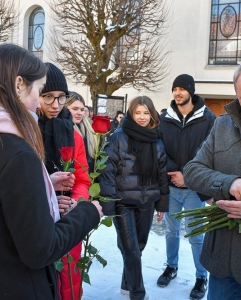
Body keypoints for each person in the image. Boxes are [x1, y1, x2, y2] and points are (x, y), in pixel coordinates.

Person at [0, 43, 103, 300]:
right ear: (19, 84)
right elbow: (40, 249)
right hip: (13, 285)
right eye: (41, 91)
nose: (42, 104)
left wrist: (42, 187)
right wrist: (88, 213)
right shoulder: (16, 153)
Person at [183, 56, 241, 300]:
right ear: (237, 95)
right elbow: (192, 171)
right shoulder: (222, 126)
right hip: (224, 260)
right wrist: (228, 183)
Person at [99, 96, 169, 300]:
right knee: (130, 248)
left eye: (146, 113)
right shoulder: (118, 137)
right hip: (123, 202)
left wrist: (162, 204)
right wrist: (109, 204)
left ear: (152, 115)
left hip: (147, 202)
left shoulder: (156, 139)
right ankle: (138, 294)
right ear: (131, 113)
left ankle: (126, 283)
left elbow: (162, 174)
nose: (142, 117)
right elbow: (107, 170)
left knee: (138, 247)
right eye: (138, 112)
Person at [157, 74, 216, 300]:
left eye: (182, 89)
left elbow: (208, 151)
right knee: (171, 231)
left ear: (191, 91)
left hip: (193, 189)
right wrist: (175, 173)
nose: (177, 93)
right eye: (175, 89)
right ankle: (171, 266)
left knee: (195, 235)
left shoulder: (208, 119)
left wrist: (188, 177)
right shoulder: (165, 118)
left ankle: (201, 276)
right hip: (172, 185)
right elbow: (159, 148)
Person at [38, 63, 92, 300]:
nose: (55, 105)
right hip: (36, 218)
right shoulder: (25, 130)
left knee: (69, 277)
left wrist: (75, 204)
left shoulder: (73, 134)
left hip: (67, 218)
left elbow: (82, 180)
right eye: (47, 97)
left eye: (61, 98)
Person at [66, 91, 98, 173]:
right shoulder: (63, 130)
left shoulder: (89, 130)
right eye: (75, 109)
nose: (79, 113)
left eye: (82, 109)